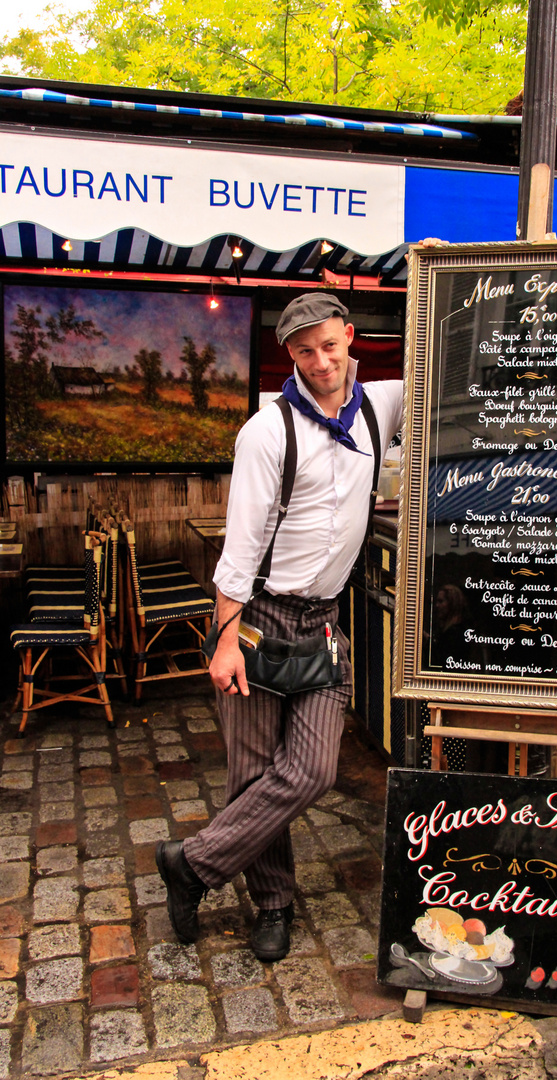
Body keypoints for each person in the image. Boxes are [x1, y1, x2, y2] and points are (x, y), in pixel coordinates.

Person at [155, 292, 403, 961]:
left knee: (313, 769)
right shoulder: (266, 431)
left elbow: (451, 370)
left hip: (323, 622)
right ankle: (273, 903)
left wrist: (441, 277)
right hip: (259, 618)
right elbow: (239, 548)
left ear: (350, 337)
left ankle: (193, 864)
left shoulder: (384, 406)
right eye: (303, 351)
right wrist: (226, 638)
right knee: (253, 771)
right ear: (287, 355)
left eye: (329, 345)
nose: (320, 362)